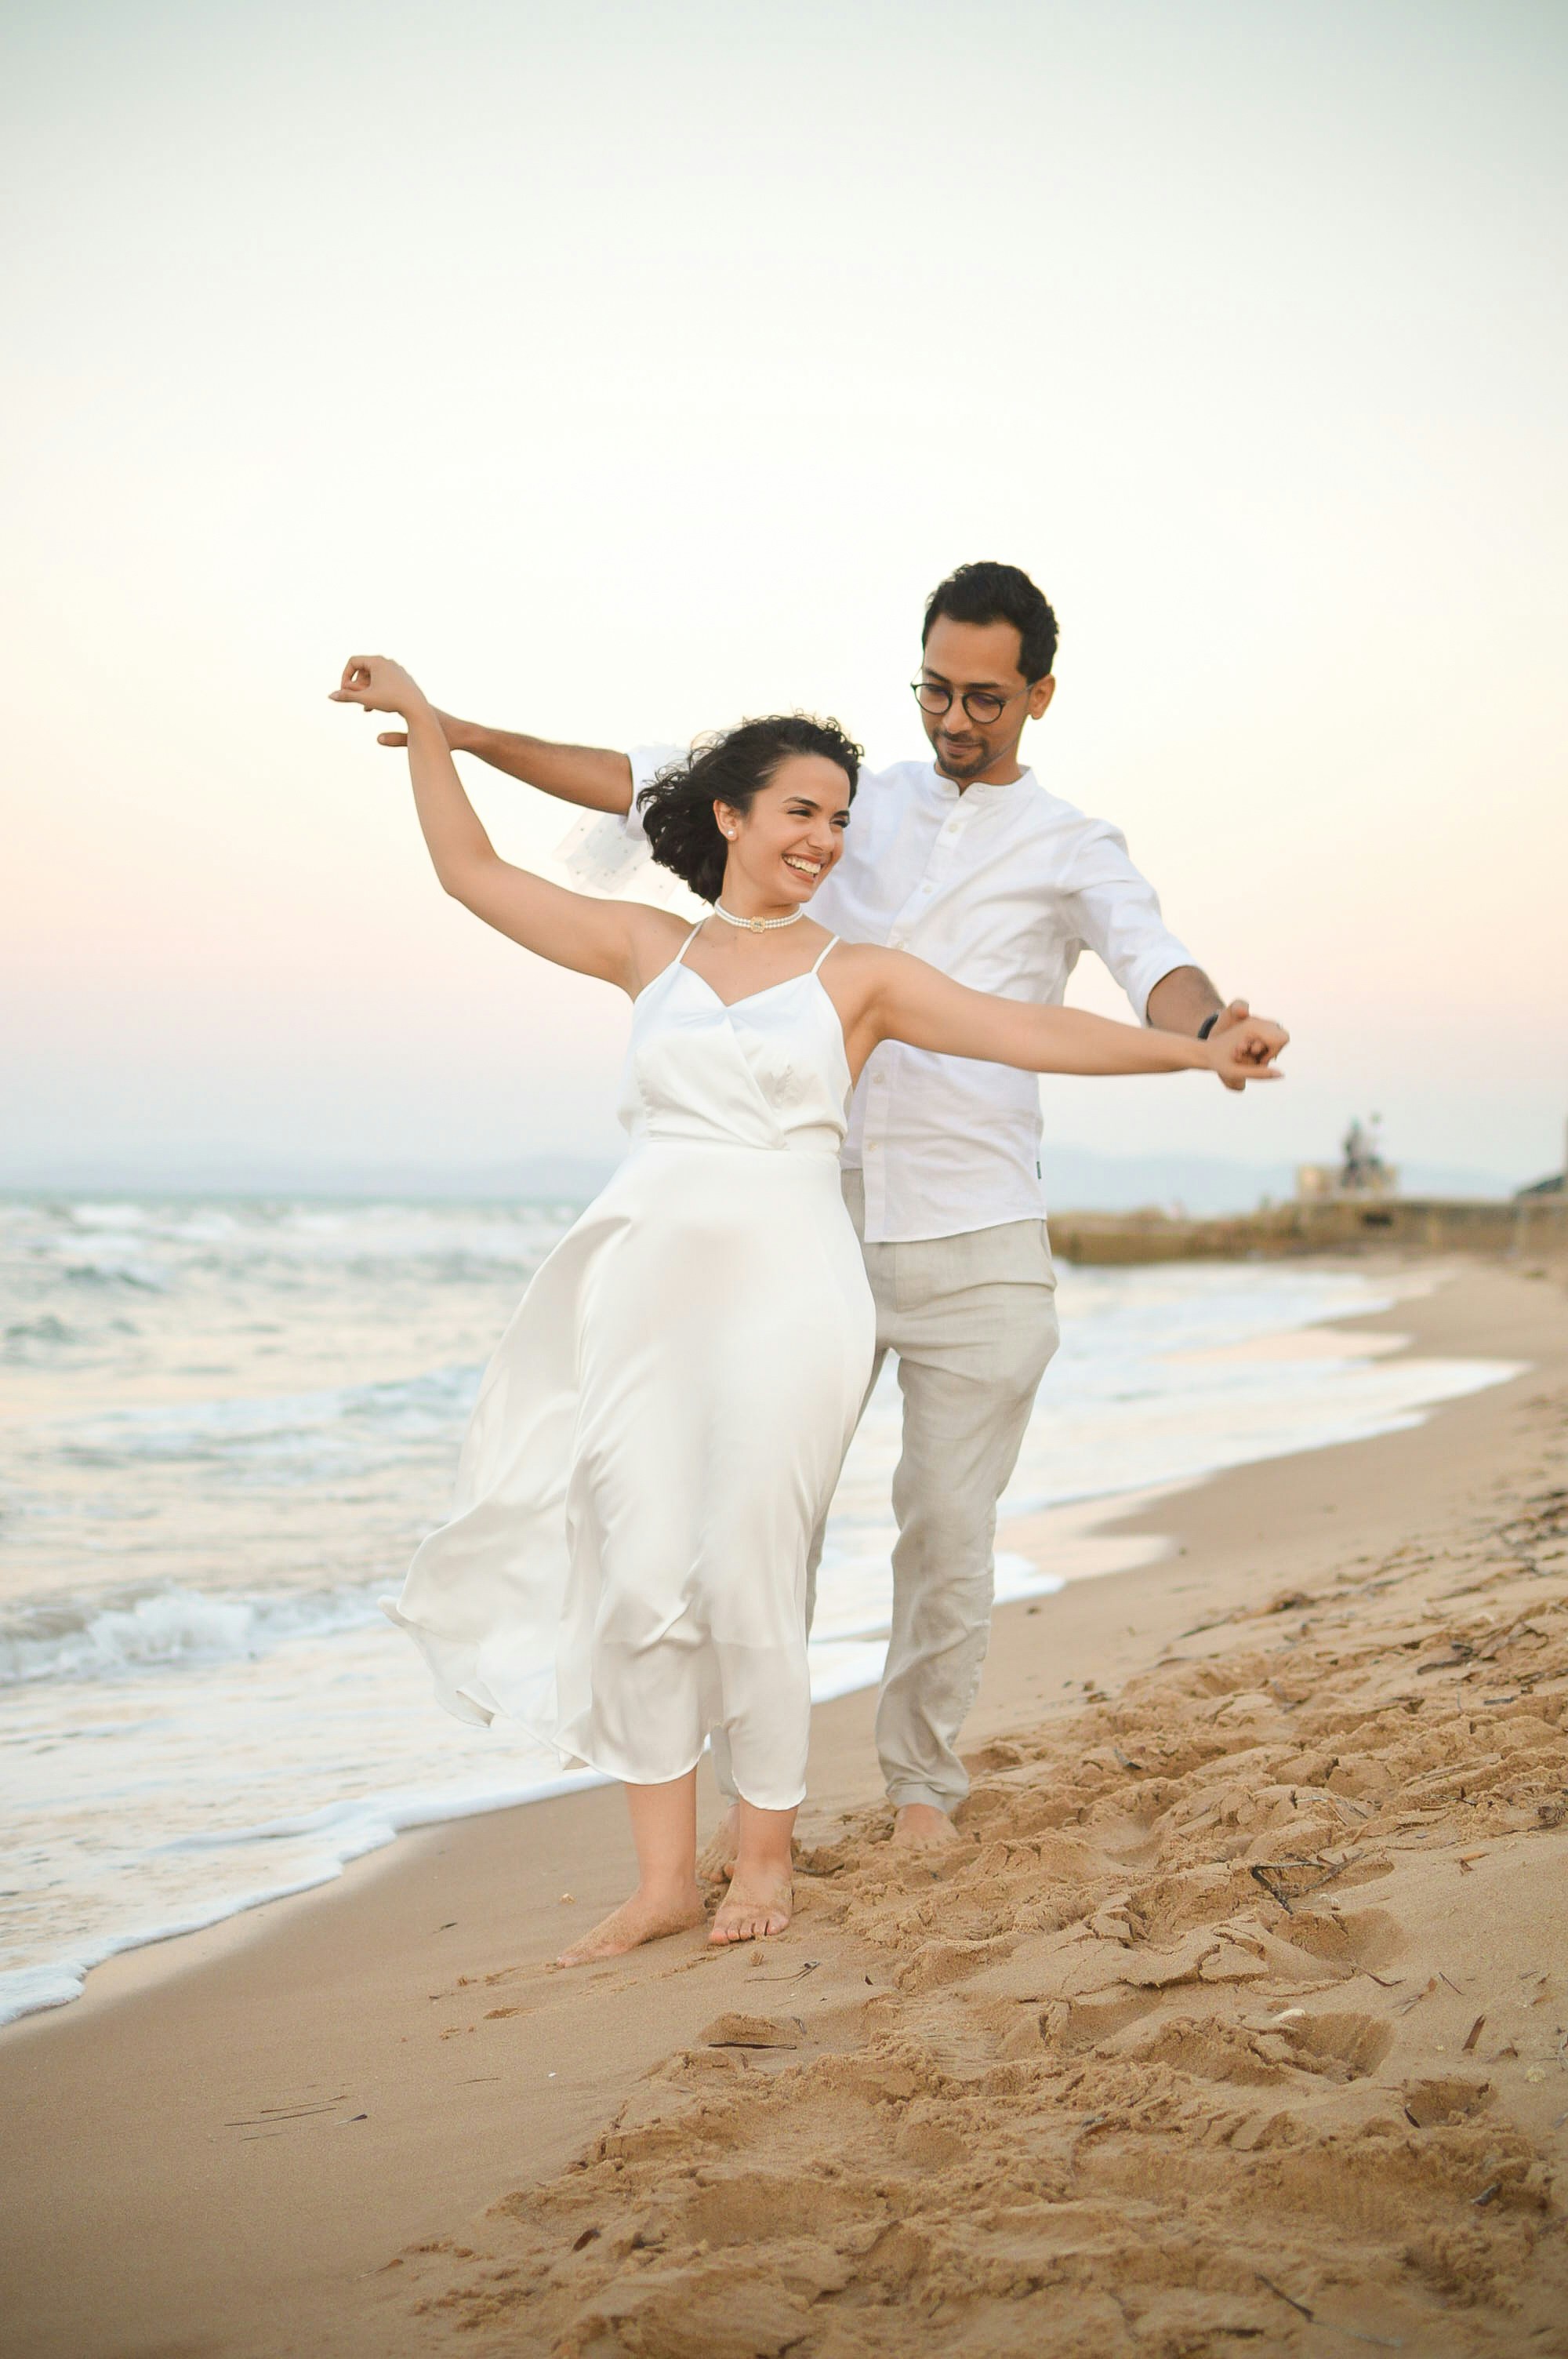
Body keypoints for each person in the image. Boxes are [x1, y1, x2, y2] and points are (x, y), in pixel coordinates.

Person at [334, 649, 1285, 1967]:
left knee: (747, 1562)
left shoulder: (860, 977)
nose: (826, 840)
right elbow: (471, 873)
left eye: (840, 820)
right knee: (638, 1565)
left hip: (794, 1288)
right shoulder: (646, 947)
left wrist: (1195, 1049)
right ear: (730, 815)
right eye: (803, 813)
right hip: (645, 1285)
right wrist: (429, 725)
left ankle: (766, 1856)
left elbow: (1029, 1032)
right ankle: (664, 1881)